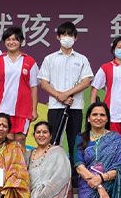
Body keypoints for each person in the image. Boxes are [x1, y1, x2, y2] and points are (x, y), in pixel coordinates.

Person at [38, 21, 93, 184]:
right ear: (58, 37)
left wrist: (66, 94)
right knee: (53, 141)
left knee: (75, 142)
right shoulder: (50, 58)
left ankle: (75, 178)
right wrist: (59, 96)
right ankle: (52, 176)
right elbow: (43, 82)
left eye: (70, 35)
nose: (67, 38)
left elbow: (86, 81)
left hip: (75, 107)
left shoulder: (82, 59)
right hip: (55, 107)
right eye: (63, 35)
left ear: (75, 38)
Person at [0, 26, 39, 145]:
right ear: (4, 42)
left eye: (15, 39)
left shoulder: (30, 61)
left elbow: (34, 87)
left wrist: (34, 110)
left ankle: (20, 159)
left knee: (20, 139)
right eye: (8, 39)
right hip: (4, 109)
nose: (11, 42)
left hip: (23, 109)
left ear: (21, 41)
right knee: (7, 139)